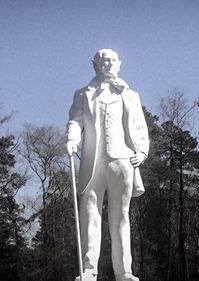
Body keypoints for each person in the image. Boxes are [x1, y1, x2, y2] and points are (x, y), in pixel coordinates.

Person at [66, 49, 149, 281]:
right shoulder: (83, 95)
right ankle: (89, 271)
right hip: (93, 162)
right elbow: (75, 120)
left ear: (119, 64)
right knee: (89, 214)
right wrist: (72, 139)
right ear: (95, 65)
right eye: (104, 61)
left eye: (113, 60)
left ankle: (124, 272)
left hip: (123, 160)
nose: (109, 64)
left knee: (121, 216)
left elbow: (140, 128)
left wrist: (142, 151)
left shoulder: (130, 95)